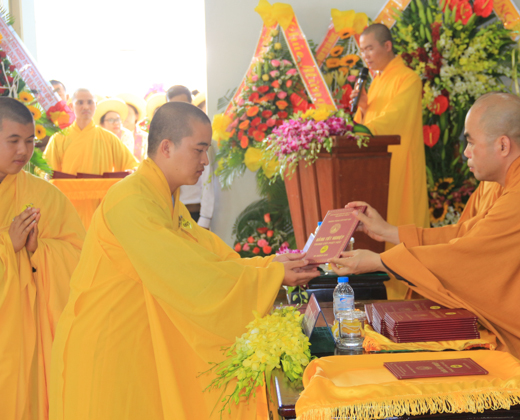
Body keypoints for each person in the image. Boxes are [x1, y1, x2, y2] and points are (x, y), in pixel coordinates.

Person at [330, 92, 520, 418]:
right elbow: (467, 235)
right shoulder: (518, 183)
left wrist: (379, 261)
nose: (465, 152)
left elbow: (467, 255)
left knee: (467, 392)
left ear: (502, 145)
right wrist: (390, 232)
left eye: (471, 142)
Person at [49, 102, 320, 420]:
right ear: (166, 147)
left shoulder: (163, 198)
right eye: (199, 150)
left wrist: (270, 264)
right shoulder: (131, 200)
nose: (205, 161)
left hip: (134, 343)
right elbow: (186, 275)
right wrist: (272, 276)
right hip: (109, 347)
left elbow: (207, 257)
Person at [0, 97, 85, 420]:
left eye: (30, 141)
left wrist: (40, 251)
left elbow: (79, 255)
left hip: (29, 335)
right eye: (13, 141)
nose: (23, 150)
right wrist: (7, 244)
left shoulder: (45, 196)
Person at [350, 23, 429, 298]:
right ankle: (379, 293)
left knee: (399, 218)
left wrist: (364, 127)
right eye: (362, 51)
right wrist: (363, 108)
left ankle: (406, 295)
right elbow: (369, 122)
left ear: (387, 46)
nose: (365, 56)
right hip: (377, 167)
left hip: (400, 164)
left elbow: (395, 117)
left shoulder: (408, 79)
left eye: (369, 48)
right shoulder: (377, 81)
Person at [44, 88, 138, 175]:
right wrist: (46, 175)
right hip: (67, 188)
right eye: (80, 103)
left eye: (90, 102)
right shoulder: (58, 139)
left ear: (96, 105)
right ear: (71, 107)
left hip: (102, 188)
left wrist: (132, 170)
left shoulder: (110, 139)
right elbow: (46, 170)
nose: (85, 107)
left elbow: (132, 165)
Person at [167, 85, 214, 227]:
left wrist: (204, 220)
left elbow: (208, 181)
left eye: (183, 105)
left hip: (195, 213)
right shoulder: (165, 138)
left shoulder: (201, 134)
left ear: (191, 105)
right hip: (171, 215)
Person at [117, 93, 148, 160]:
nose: (125, 116)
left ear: (136, 116)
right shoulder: (113, 135)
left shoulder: (145, 138)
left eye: (128, 113)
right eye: (122, 113)